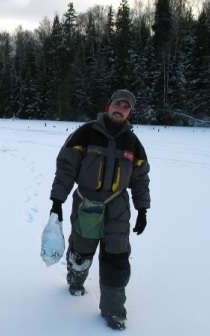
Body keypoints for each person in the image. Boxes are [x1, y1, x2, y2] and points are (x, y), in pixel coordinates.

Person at [42, 89, 150, 330]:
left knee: (117, 258)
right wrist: (57, 201)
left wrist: (142, 209)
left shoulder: (133, 143)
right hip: (86, 204)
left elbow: (141, 178)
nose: (120, 109)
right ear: (108, 105)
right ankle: (76, 278)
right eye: (117, 104)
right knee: (81, 251)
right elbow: (66, 168)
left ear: (129, 112)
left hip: (118, 209)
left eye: (126, 106)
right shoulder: (86, 133)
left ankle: (113, 311)